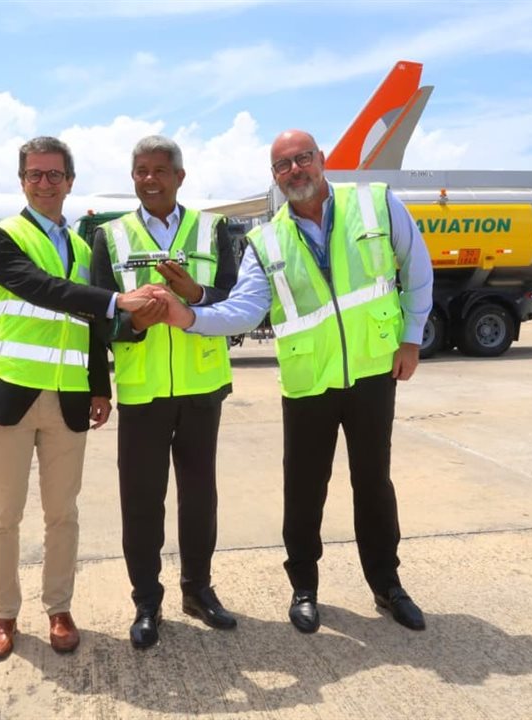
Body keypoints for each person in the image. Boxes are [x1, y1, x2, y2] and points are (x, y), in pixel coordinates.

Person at [148, 130, 434, 634]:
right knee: (304, 490)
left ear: (321, 160)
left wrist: (411, 337)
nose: (295, 170)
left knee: (373, 483)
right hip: (307, 383)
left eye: (303, 159)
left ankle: (387, 585)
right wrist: (187, 316)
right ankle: (304, 588)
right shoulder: (266, 240)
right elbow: (244, 310)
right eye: (283, 165)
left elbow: (417, 269)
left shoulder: (376, 204)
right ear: (275, 177)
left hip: (372, 371)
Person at [0, 136, 156, 661]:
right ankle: (4, 614)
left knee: (62, 514)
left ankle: (59, 607)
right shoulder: (2, 237)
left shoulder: (81, 246)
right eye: (35, 175)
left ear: (70, 182)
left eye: (55, 175)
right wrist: (121, 298)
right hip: (8, 396)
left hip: (69, 399)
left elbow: (92, 321)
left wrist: (100, 383)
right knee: (3, 515)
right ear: (23, 181)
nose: (45, 183)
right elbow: (40, 288)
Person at [89, 136, 239, 649]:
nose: (149, 178)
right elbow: (100, 318)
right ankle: (146, 601)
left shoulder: (215, 229)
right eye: (139, 170)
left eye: (159, 169)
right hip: (143, 391)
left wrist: (195, 295)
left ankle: (198, 590)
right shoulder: (109, 237)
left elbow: (238, 301)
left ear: (180, 176)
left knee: (200, 497)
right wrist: (135, 326)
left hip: (202, 386)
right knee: (142, 502)